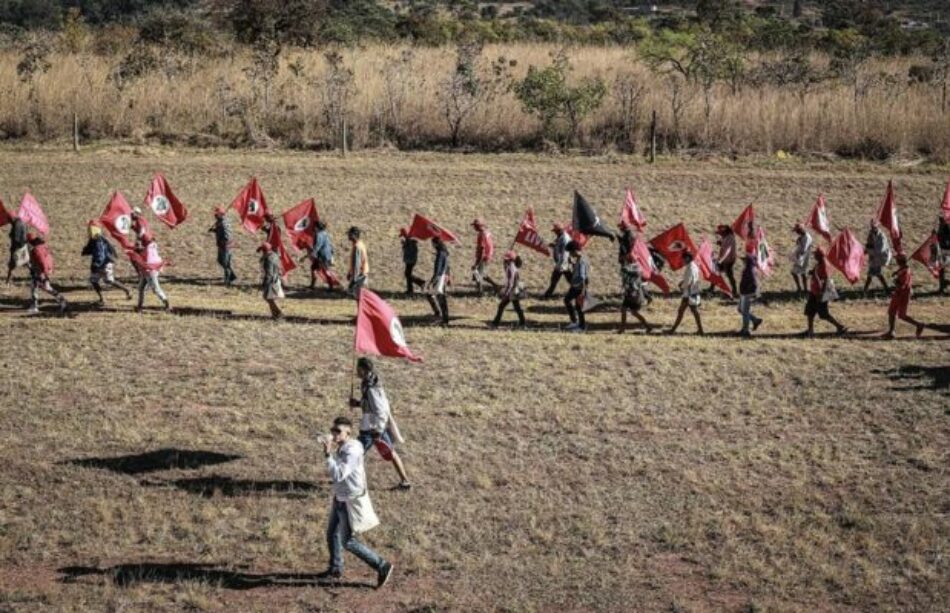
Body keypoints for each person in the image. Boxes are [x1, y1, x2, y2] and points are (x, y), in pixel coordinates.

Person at [317, 415, 394, 588]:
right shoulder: (347, 446)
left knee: (347, 541)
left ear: (348, 433)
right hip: (341, 497)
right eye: (333, 430)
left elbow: (338, 475)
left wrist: (328, 453)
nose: (334, 434)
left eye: (338, 431)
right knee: (332, 534)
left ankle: (382, 565)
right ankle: (336, 568)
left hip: (348, 501)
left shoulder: (351, 451)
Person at [348, 357, 411, 489]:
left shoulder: (371, 387)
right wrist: (358, 403)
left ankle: (347, 478)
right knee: (390, 452)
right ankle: (405, 481)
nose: (356, 371)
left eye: (358, 369)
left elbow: (381, 409)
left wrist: (378, 430)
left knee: (357, 451)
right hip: (374, 426)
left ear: (363, 369)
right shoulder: (369, 382)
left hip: (372, 427)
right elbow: (371, 404)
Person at [81, 220, 132, 306]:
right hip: (101, 263)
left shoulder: (98, 241)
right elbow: (91, 249)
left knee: (109, 280)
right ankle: (102, 298)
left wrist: (96, 264)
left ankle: (127, 290)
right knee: (94, 280)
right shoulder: (94, 239)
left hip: (105, 263)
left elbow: (100, 254)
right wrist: (86, 251)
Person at [884, 254, 931, 339]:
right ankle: (918, 325)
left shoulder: (905, 271)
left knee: (894, 312)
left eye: (897, 259)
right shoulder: (904, 269)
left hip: (901, 294)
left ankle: (892, 332)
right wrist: (896, 273)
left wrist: (895, 281)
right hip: (903, 293)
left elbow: (902, 284)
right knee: (897, 313)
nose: (896, 261)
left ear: (900, 261)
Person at [804, 247, 847, 337]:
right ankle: (810, 330)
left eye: (815, 254)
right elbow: (817, 273)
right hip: (815, 291)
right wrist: (812, 272)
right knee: (810, 311)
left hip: (821, 292)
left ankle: (840, 327)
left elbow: (826, 280)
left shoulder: (824, 265)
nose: (814, 256)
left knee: (823, 313)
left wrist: (821, 294)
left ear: (819, 256)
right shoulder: (819, 263)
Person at [25, 232, 66, 314]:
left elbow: (41, 261)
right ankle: (34, 306)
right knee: (35, 287)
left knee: (45, 287)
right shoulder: (42, 247)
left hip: (40, 272)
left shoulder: (36, 249)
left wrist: (44, 273)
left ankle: (62, 301)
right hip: (41, 271)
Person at [668, 251, 704, 335]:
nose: (682, 260)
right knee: (693, 311)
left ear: (687, 258)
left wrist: (681, 286)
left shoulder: (690, 268)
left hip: (688, 293)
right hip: (693, 291)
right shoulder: (694, 266)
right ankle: (700, 330)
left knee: (682, 311)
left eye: (683, 258)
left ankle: (672, 330)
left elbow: (688, 281)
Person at [132, 235, 170, 312]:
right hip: (146, 271)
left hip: (150, 271)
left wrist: (135, 250)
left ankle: (167, 305)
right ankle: (139, 307)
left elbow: (144, 258)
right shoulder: (152, 246)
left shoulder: (148, 250)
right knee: (141, 288)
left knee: (156, 289)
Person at [617, 254, 653, 334]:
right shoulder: (627, 268)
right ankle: (622, 329)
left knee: (634, 312)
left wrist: (624, 268)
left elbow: (634, 274)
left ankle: (648, 327)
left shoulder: (637, 268)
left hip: (635, 294)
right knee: (624, 310)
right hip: (629, 294)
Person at [491, 250, 526, 328]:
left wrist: (506, 294)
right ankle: (523, 323)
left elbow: (510, 283)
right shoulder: (512, 266)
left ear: (511, 260)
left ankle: (495, 323)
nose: (504, 260)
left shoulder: (510, 268)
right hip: (514, 290)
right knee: (517, 308)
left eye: (506, 259)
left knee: (501, 306)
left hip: (512, 291)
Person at [208, 207, 237, 286]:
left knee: (226, 263)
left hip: (226, 246)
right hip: (221, 246)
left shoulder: (224, 223)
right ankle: (232, 275)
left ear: (221, 214)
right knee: (220, 261)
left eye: (216, 214)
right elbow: (220, 230)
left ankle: (228, 281)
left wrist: (222, 241)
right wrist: (214, 230)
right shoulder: (219, 222)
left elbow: (227, 236)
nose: (215, 216)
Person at [564, 241, 589, 332]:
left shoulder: (582, 261)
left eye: (571, 252)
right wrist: (572, 264)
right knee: (569, 301)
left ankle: (581, 326)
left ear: (575, 251)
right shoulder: (581, 259)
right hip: (576, 286)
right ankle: (576, 322)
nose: (570, 254)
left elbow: (582, 277)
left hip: (579, 287)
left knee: (579, 306)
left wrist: (582, 292)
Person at [309, 220, 340, 291]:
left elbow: (318, 245)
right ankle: (312, 285)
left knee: (326, 270)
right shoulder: (325, 233)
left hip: (323, 256)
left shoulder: (319, 235)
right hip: (326, 255)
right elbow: (329, 244)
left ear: (317, 227)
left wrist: (313, 253)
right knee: (313, 268)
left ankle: (331, 286)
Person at [425, 236, 450, 326]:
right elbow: (447, 266)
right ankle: (444, 317)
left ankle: (440, 315)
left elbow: (437, 269)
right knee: (441, 298)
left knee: (433, 296)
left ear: (435, 244)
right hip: (443, 277)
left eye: (432, 243)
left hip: (439, 278)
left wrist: (432, 281)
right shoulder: (445, 253)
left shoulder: (440, 254)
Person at [471, 219, 499, 296]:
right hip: (488, 256)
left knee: (477, 273)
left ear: (479, 226)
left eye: (475, 226)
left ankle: (480, 291)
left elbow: (481, 248)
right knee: (481, 273)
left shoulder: (481, 235)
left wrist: (477, 262)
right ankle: (495, 286)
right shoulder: (487, 232)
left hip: (483, 257)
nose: (474, 227)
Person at [543, 223, 571, 298]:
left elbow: (565, 253)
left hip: (562, 263)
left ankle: (547, 295)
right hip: (563, 264)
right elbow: (559, 246)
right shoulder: (560, 236)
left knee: (554, 279)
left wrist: (560, 265)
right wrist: (554, 245)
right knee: (570, 280)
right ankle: (578, 293)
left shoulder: (565, 238)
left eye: (555, 231)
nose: (555, 232)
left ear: (559, 230)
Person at [738, 253, 763, 337]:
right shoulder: (748, 269)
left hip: (747, 293)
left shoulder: (750, 270)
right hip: (744, 292)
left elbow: (754, 284)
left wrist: (750, 292)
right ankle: (755, 320)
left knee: (745, 312)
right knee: (740, 309)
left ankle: (746, 330)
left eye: (744, 260)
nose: (743, 261)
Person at [863, 220, 891, 295]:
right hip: (873, 257)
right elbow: (869, 244)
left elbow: (880, 249)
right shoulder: (871, 234)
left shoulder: (882, 236)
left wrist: (869, 251)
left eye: (874, 227)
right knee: (874, 274)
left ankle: (865, 290)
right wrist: (866, 250)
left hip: (880, 257)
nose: (872, 228)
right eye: (872, 227)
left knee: (873, 274)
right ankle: (886, 289)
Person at [259, 242, 283, 319]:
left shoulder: (268, 259)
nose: (261, 253)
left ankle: (279, 312)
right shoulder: (274, 255)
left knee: (269, 298)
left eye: (262, 251)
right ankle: (274, 315)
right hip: (275, 278)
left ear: (265, 251)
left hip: (272, 280)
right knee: (268, 298)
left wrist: (265, 284)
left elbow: (269, 273)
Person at [789, 223, 813, 295]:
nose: (796, 233)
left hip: (804, 258)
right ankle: (800, 288)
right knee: (798, 273)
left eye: (797, 231)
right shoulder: (803, 236)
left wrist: (796, 256)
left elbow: (803, 250)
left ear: (801, 230)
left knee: (802, 273)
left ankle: (804, 289)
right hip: (801, 258)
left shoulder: (807, 238)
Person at [399, 228, 425, 296]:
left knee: (408, 274)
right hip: (410, 260)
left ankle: (419, 283)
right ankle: (411, 289)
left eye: (403, 235)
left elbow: (410, 251)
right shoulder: (410, 241)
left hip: (410, 260)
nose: (403, 237)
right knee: (407, 274)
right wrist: (404, 244)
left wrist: (404, 245)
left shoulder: (410, 241)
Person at [715, 225, 737, 297]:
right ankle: (711, 288)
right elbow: (725, 246)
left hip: (728, 260)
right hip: (724, 259)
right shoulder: (726, 237)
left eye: (721, 233)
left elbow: (728, 251)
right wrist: (720, 243)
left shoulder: (730, 238)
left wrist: (720, 260)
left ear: (724, 232)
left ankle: (734, 291)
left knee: (729, 275)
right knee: (716, 272)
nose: (720, 234)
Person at [346, 226, 368, 298]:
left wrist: (354, 278)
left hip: (359, 275)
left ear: (354, 235)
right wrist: (350, 272)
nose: (348, 236)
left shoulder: (357, 247)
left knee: (353, 294)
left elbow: (357, 264)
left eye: (349, 234)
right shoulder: (360, 244)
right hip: (362, 273)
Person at [5, 215, 28, 283]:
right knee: (26, 261)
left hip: (17, 247)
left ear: (12, 218)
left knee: (12, 263)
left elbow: (16, 238)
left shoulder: (17, 225)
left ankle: (8, 280)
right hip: (23, 245)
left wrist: (13, 249)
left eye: (9, 220)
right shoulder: (23, 222)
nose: (9, 222)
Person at [937, 216, 950, 294]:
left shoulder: (947, 228)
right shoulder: (941, 227)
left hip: (946, 250)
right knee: (941, 270)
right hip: (942, 250)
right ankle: (942, 286)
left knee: (942, 269)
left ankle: (944, 285)